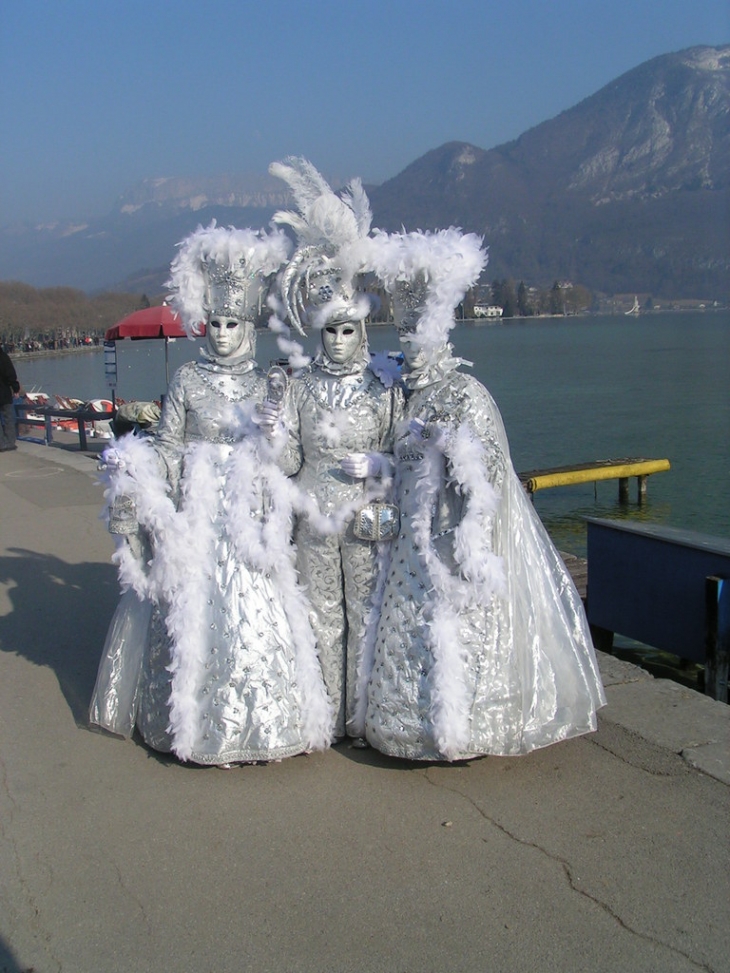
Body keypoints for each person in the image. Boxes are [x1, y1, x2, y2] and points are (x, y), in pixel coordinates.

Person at [90, 223, 333, 765]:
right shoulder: (188, 383)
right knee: (193, 612)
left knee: (257, 613)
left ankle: (263, 724)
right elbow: (170, 445)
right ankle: (194, 725)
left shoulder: (271, 384)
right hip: (200, 515)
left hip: (250, 514)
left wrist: (274, 435)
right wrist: (152, 489)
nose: (222, 334)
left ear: (248, 326)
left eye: (232, 324)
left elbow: (291, 462)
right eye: (215, 324)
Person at [363, 228, 606, 761]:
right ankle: (409, 727)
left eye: (419, 332)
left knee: (460, 633)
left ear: (441, 329)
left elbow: (490, 471)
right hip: (410, 546)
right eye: (403, 333)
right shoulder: (405, 394)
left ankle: (468, 727)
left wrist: (448, 447)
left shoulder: (467, 392)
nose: (410, 344)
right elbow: (397, 461)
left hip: (454, 542)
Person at [268, 158, 404, 743]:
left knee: (369, 613)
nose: (341, 339)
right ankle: (326, 717)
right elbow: (288, 459)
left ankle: (365, 713)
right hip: (315, 517)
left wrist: (379, 465)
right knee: (322, 616)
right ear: (318, 330)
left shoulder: (383, 385)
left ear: (364, 330)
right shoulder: (298, 386)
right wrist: (272, 430)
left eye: (350, 329)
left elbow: (405, 458)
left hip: (370, 518)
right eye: (331, 330)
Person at [0, 347, 21, 451]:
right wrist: (15, 388)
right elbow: (11, 375)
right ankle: (10, 442)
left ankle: (1, 443)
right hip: (4, 392)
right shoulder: (4, 357)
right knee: (8, 417)